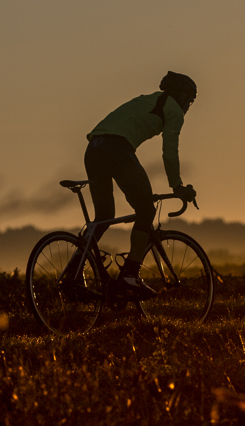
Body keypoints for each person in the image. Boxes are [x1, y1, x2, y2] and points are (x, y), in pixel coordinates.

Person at [84, 71, 198, 298]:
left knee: (104, 216)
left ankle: (75, 273)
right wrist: (177, 186)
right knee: (146, 209)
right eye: (190, 100)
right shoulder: (173, 109)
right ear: (182, 96)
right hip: (116, 148)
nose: (189, 106)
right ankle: (130, 275)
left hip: (94, 148)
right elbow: (169, 152)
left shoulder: (150, 98)